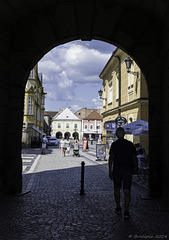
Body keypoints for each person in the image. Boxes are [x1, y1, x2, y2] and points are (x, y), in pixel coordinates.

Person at [108, 127, 138, 219]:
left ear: (116, 135)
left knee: (117, 189)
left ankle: (118, 207)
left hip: (117, 169)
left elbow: (111, 158)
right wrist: (135, 167)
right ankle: (126, 210)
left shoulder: (114, 145)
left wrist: (110, 170)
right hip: (127, 170)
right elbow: (134, 157)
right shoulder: (130, 144)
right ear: (124, 134)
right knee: (127, 190)